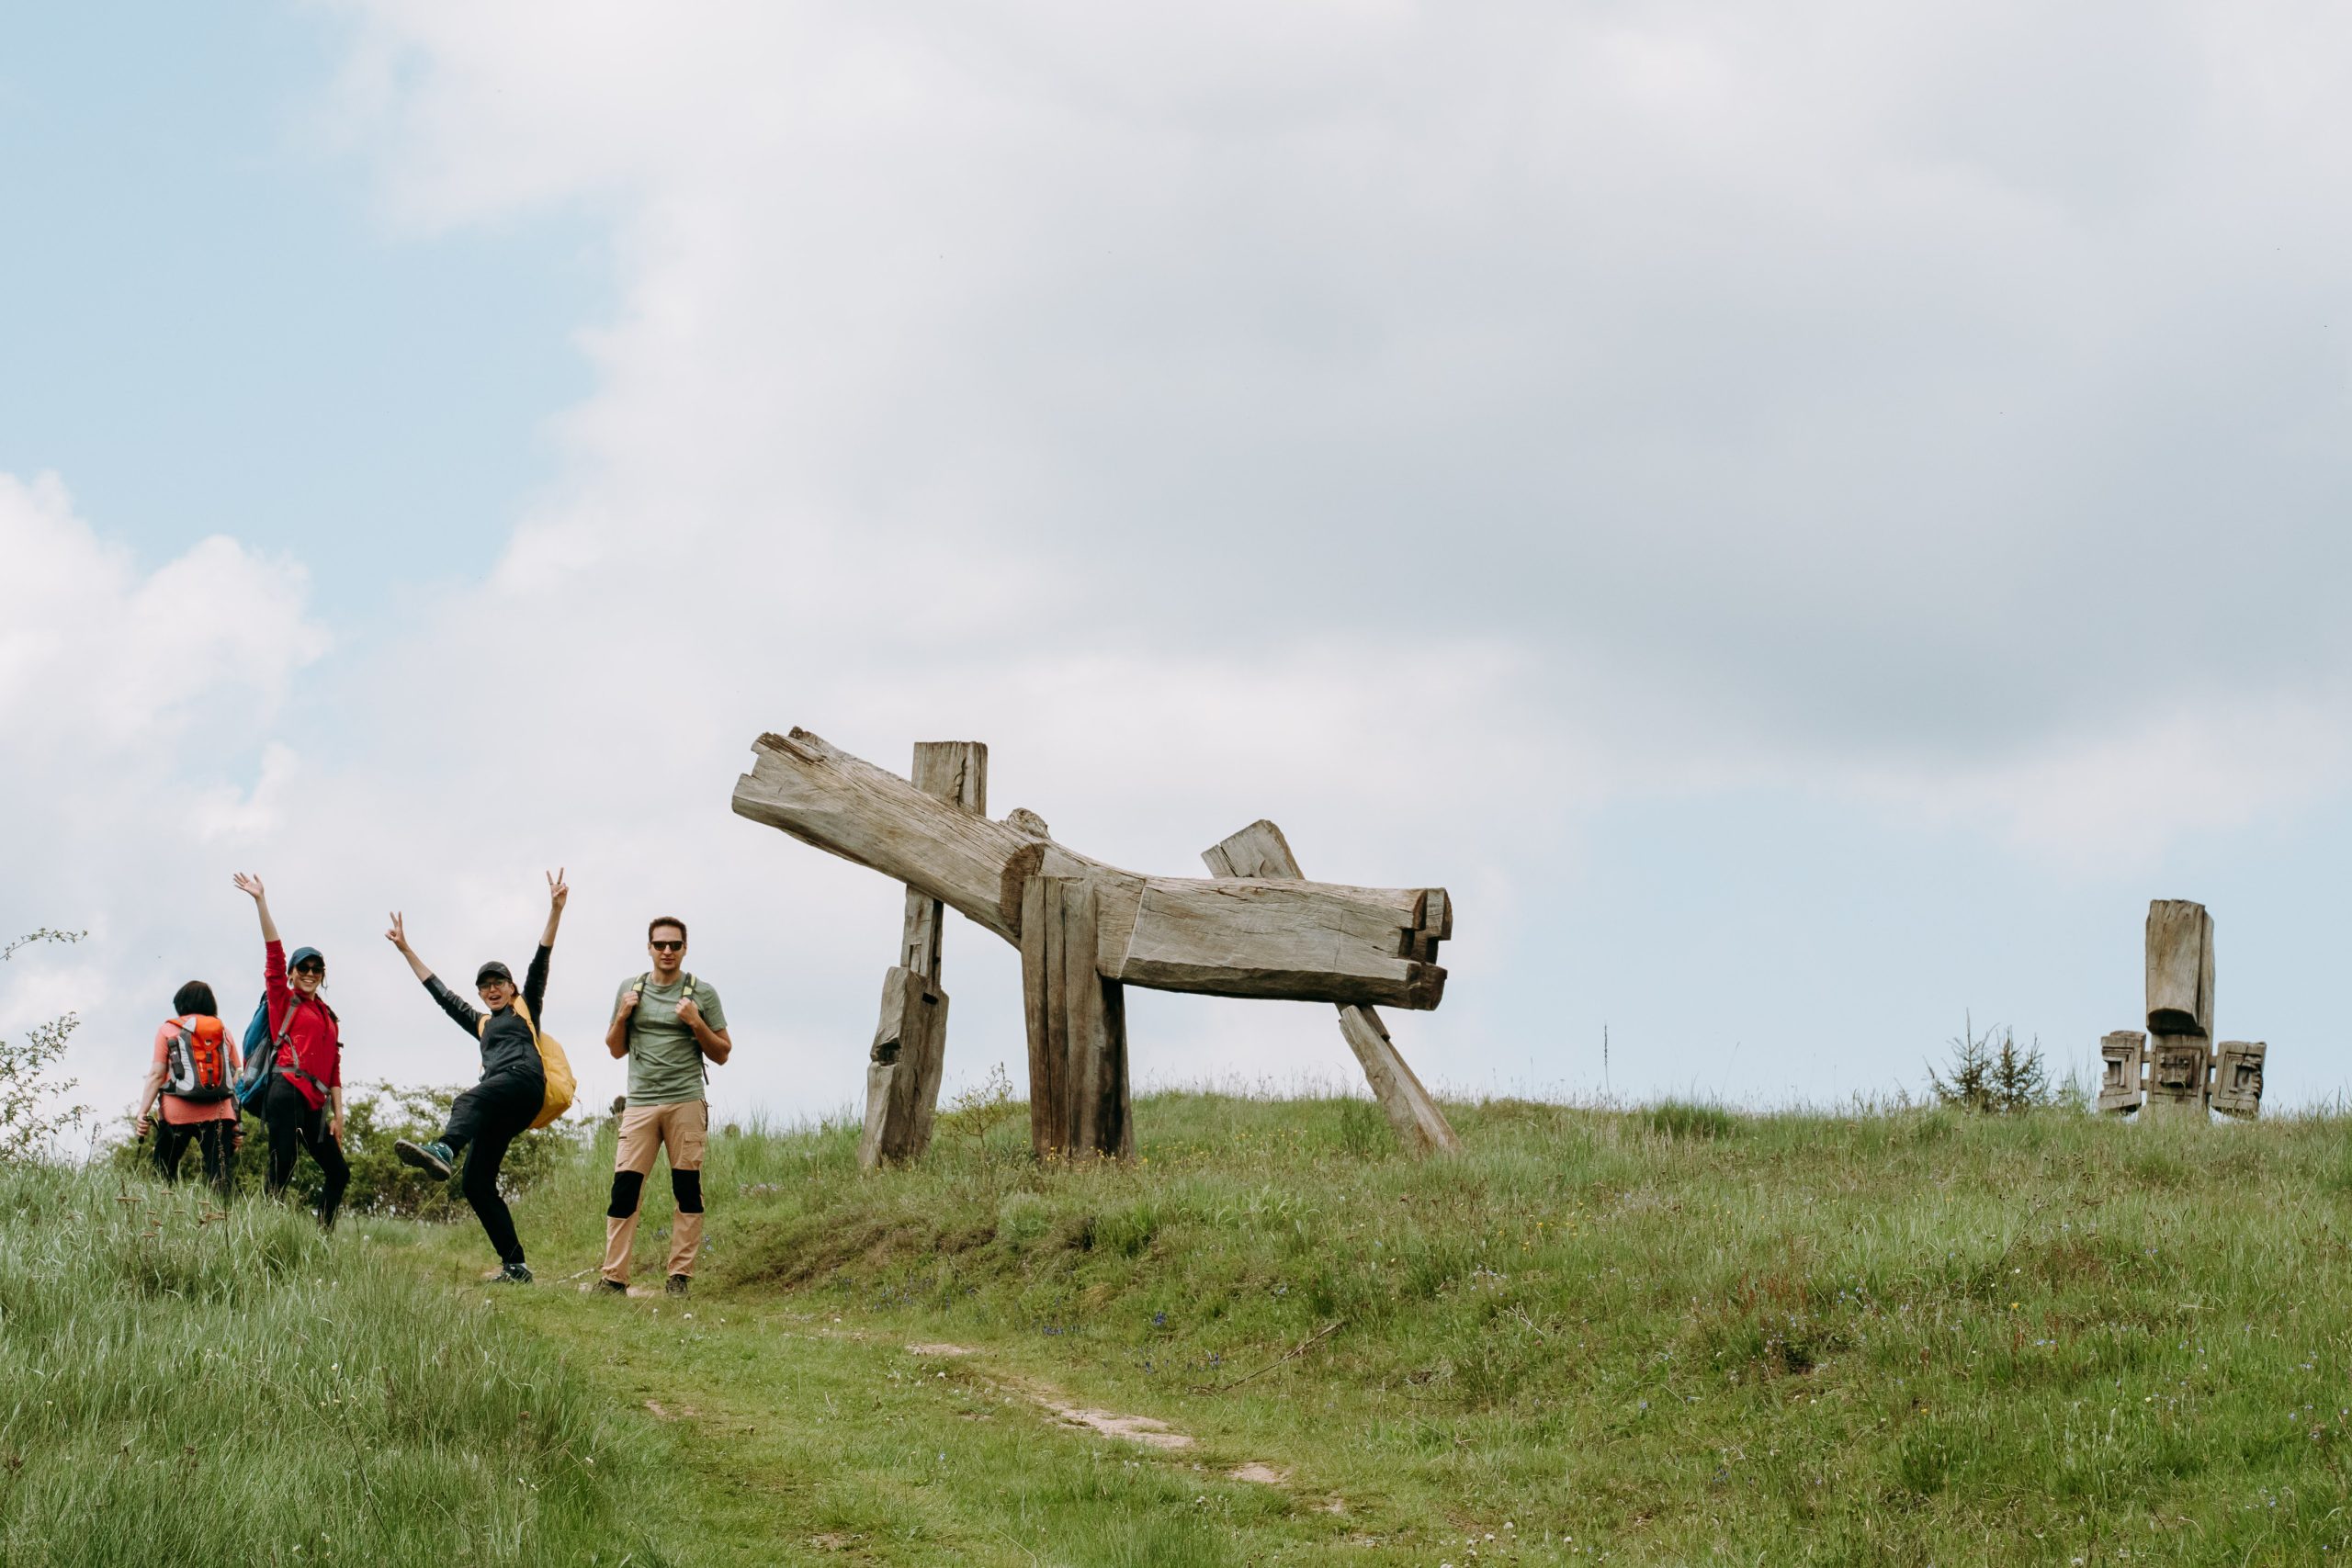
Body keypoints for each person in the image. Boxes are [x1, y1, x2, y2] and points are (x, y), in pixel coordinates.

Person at [386, 870, 567, 1284]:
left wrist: (555, 909)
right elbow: (442, 993)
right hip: (504, 1106)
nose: (491, 989)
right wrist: (406, 950)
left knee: (467, 1100)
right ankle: (516, 1265)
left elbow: (541, 959)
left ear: (512, 987)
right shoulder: (483, 1023)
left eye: (498, 982)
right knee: (477, 1184)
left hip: (524, 1081)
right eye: (485, 986)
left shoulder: (525, 1008)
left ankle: (445, 1148)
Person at [598, 915, 731, 1297]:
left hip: (685, 1101)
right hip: (640, 1103)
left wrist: (695, 1022)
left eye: (675, 945)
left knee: (686, 1188)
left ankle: (680, 1277)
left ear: (685, 948)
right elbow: (614, 1048)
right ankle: (613, 1278)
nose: (667, 951)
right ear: (650, 948)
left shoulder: (702, 993)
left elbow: (722, 1053)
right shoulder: (630, 988)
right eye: (660, 945)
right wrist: (624, 1014)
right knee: (624, 1190)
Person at [232, 874, 351, 1227]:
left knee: (339, 1173)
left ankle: (321, 1240)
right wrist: (260, 901)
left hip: (315, 1104)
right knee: (283, 1165)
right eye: (304, 967)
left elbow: (333, 1069)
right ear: (292, 973)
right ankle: (262, 1235)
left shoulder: (329, 1017)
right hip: (285, 1092)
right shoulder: (283, 1000)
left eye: (317, 968)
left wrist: (338, 1114)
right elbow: (274, 952)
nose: (310, 973)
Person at [133, 980, 242, 1198]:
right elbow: (235, 1077)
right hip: (219, 1114)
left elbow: (156, 1074)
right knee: (219, 1175)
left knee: (163, 1173)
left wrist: (142, 1112)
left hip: (176, 1113)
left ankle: (161, 1217)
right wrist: (236, 1123)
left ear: (180, 1003)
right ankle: (221, 1220)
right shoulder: (224, 1032)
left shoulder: (167, 1029)